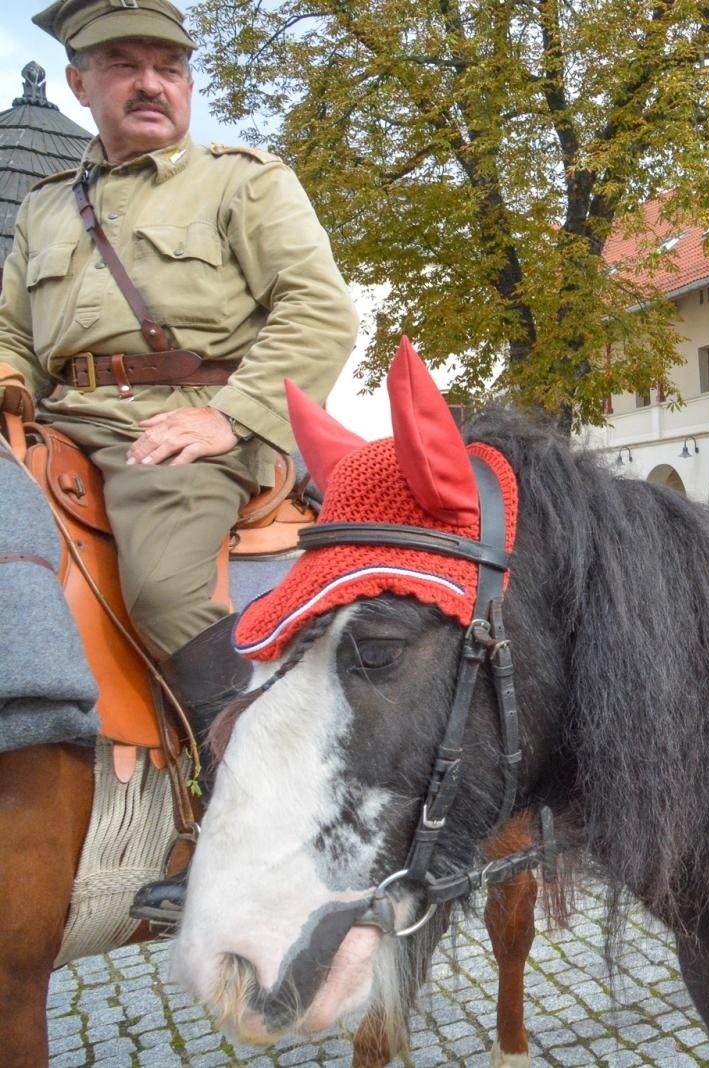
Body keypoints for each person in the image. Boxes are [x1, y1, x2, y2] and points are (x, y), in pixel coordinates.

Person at [0, 0, 359, 916]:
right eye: (123, 63)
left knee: (162, 582)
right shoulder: (44, 209)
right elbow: (9, 327)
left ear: (191, 82)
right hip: (61, 424)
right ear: (80, 84)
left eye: (169, 64)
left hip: (192, 432)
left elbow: (320, 311)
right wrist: (7, 379)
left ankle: (247, 822)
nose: (151, 81)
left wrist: (229, 418)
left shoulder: (242, 184)